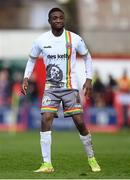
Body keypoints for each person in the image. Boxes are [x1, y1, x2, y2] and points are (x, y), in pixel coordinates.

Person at [22, 7, 101, 173]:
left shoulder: (74, 38)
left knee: (80, 123)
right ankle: (47, 164)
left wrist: (88, 79)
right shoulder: (41, 40)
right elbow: (31, 60)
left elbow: (87, 57)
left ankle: (92, 158)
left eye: (60, 18)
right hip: (51, 88)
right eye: (55, 18)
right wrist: (26, 78)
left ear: (64, 20)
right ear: (49, 21)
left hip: (70, 88)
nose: (58, 20)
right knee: (46, 119)